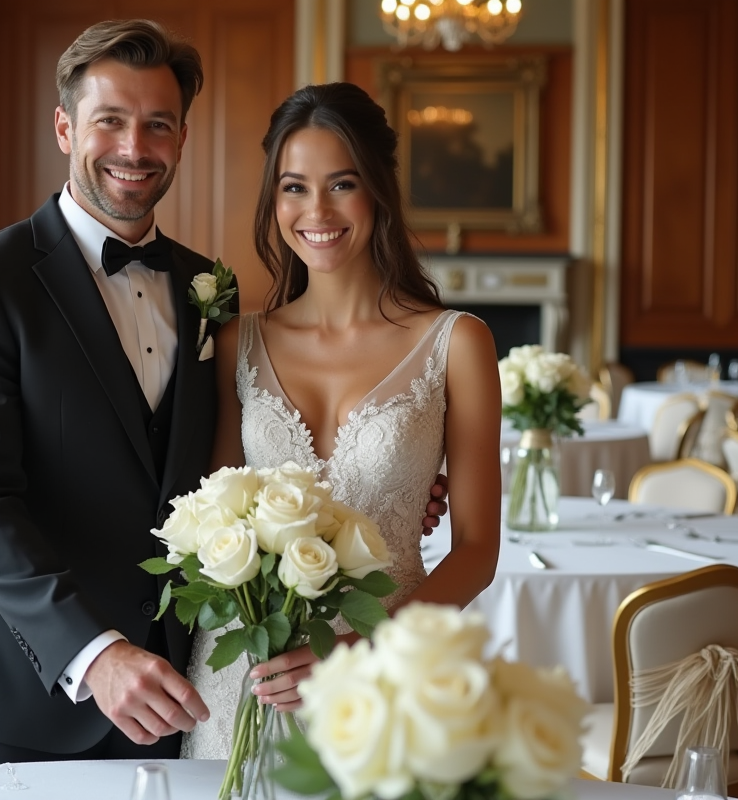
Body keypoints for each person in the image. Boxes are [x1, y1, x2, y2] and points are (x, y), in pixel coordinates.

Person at [0, 20, 450, 766]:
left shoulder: (209, 288)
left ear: (181, 138)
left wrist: (387, 483)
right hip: (36, 683)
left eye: (158, 125)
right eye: (110, 120)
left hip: (190, 680)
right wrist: (94, 654)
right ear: (65, 126)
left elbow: (231, 472)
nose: (134, 148)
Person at [181, 82, 501, 758]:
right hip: (247, 676)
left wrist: (358, 649)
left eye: (342, 184)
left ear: (379, 190)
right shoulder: (237, 341)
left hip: (389, 665)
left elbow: (477, 551)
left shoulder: (458, 343)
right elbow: (217, 517)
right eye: (294, 187)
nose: (316, 210)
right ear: (273, 199)